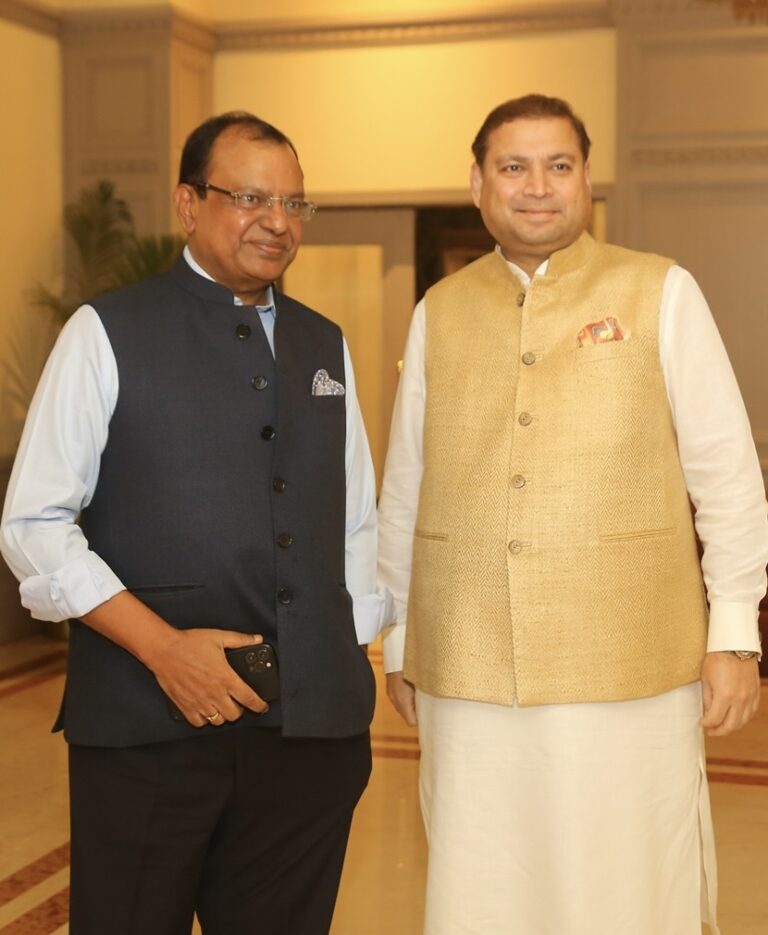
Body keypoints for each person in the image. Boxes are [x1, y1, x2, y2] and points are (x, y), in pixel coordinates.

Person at [377, 94, 768, 935]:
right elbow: (406, 487)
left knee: (626, 883)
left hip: (632, 661)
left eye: (560, 165)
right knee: (483, 883)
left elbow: (728, 475)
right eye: (514, 167)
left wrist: (733, 633)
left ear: (588, 178)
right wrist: (402, 636)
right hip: (468, 662)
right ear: (478, 183)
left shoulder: (661, 288)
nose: (538, 187)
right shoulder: (440, 310)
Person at [1, 111, 392, 935]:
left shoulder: (326, 344)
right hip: (149, 728)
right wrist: (163, 649)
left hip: (307, 741)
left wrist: (344, 660)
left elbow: (356, 521)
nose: (277, 221)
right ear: (187, 203)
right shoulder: (104, 333)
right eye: (250, 196)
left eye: (293, 203)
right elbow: (33, 523)